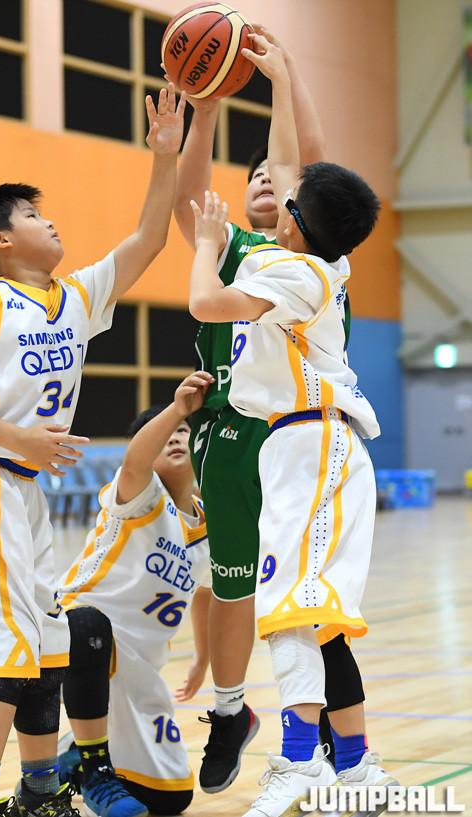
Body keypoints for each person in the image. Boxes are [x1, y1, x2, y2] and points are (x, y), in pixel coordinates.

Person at [0, 84, 186, 817]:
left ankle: (39, 794)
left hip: (24, 489)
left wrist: (164, 156)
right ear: (1, 241)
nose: (50, 220)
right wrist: (19, 437)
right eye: (33, 215)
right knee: (5, 653)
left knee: (47, 647)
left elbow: (149, 240)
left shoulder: (74, 298)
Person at [188, 34, 397, 817]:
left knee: (289, 610)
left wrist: (206, 246)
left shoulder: (293, 270)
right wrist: (280, 79)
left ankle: (301, 761)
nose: (275, 191)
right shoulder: (323, 259)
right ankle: (357, 771)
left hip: (312, 441)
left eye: (287, 196)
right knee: (315, 617)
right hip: (301, 446)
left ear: (297, 219)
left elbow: (205, 303)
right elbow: (287, 163)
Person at [56, 371, 213, 817]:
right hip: (76, 632)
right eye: (168, 432)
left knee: (171, 799)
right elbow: (134, 462)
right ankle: (93, 769)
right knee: (88, 625)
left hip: (140, 663)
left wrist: (202, 659)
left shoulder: (209, 525)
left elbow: (207, 595)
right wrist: (178, 408)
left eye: (184, 431)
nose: (177, 436)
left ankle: (73, 757)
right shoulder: (141, 495)